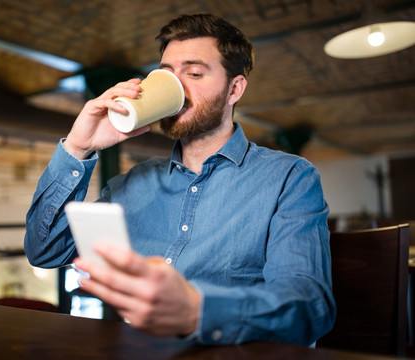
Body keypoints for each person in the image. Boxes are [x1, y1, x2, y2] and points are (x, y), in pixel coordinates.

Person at [24, 13, 335, 345]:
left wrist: (196, 311)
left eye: (195, 73)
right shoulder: (131, 184)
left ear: (234, 89)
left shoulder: (289, 177)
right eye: (166, 74)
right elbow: (45, 251)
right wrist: (78, 147)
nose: (177, 86)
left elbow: (310, 307)